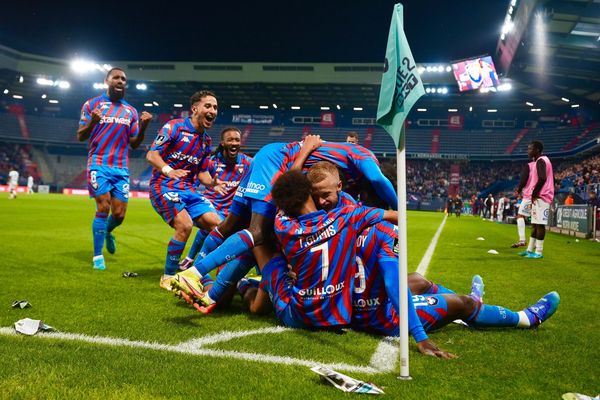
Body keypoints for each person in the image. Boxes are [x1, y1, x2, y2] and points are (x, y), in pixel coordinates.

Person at [171, 138, 397, 300]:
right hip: (274, 162)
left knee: (230, 226)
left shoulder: (346, 175)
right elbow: (379, 180)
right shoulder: (365, 157)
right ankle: (194, 273)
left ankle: (206, 287)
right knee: (259, 233)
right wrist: (399, 208)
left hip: (269, 157)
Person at [146, 90, 224, 290]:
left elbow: (202, 175)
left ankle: (198, 271)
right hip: (163, 186)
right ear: (195, 108)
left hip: (189, 190)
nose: (212, 111)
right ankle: (168, 276)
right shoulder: (175, 127)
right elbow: (152, 155)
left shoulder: (206, 141)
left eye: (215, 107)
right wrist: (168, 170)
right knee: (185, 225)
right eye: (208, 106)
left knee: (220, 226)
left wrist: (213, 183)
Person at [77, 67, 152, 270]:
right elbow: (80, 135)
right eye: (116, 78)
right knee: (103, 206)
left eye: (123, 79)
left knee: (119, 214)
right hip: (98, 163)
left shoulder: (131, 111)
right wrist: (93, 121)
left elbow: (134, 144)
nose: (120, 81)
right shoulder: (92, 105)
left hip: (120, 168)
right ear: (107, 81)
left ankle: (108, 231)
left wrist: (144, 126)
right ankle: (97, 256)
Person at [178, 127, 253, 270]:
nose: (234, 143)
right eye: (230, 139)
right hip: (212, 206)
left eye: (237, 140)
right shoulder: (212, 162)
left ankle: (191, 262)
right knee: (214, 229)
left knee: (213, 232)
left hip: (232, 210)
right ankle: (200, 267)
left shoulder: (247, 163)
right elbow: (195, 180)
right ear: (223, 143)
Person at [518, 141, 554, 259]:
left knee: (540, 225)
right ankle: (529, 250)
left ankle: (538, 252)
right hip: (540, 196)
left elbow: (542, 178)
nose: (528, 151)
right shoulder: (543, 160)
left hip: (542, 197)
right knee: (534, 224)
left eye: (530, 149)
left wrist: (534, 193)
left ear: (537, 150)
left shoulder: (541, 161)